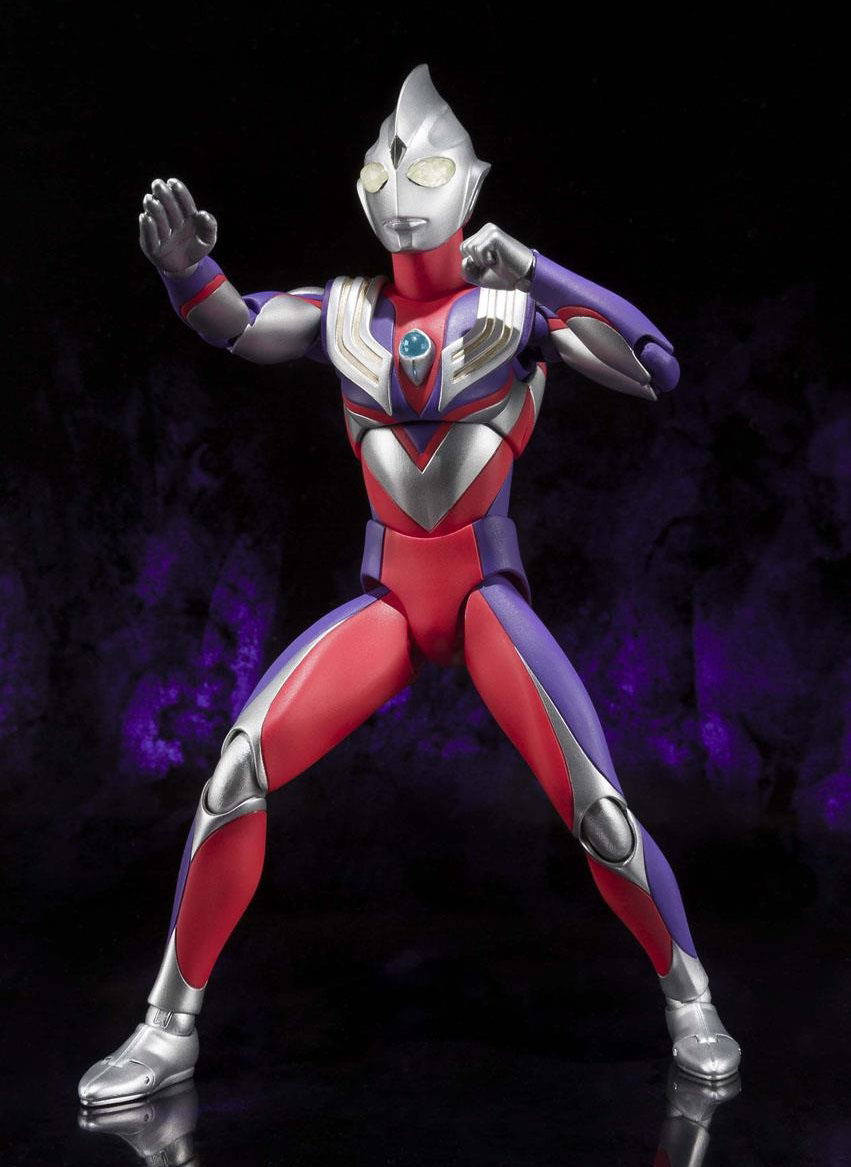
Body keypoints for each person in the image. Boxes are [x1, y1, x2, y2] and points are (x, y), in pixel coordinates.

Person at [79, 64, 740, 1107]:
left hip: (483, 598)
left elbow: (654, 366)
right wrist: (184, 271)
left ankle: (691, 999)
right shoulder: (342, 312)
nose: (399, 190)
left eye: (426, 170)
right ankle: (167, 1027)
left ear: (470, 185)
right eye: (381, 170)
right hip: (389, 601)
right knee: (233, 772)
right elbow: (237, 323)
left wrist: (534, 269)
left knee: (601, 813)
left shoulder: (516, 312)